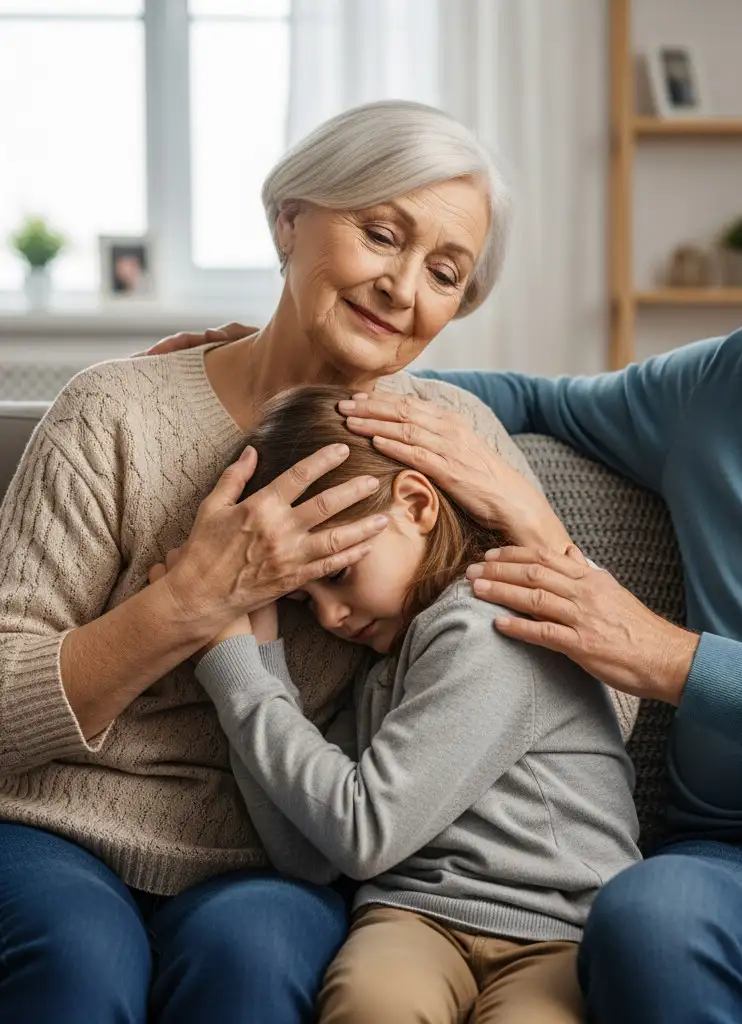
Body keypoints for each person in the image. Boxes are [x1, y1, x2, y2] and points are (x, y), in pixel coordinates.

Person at [162, 57, 742, 1022]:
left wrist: (669, 658)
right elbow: (531, 401)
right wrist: (289, 364)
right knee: (649, 918)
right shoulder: (731, 385)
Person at [0, 99, 566, 1024]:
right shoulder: (114, 413)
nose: (402, 288)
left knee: (257, 960)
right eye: (381, 234)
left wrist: (534, 521)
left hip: (277, 854)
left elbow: (597, 704)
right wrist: (184, 606)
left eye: (445, 272)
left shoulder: (453, 444)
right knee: (79, 959)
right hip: (57, 827)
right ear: (289, 219)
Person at [154, 384, 640, 1024]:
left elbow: (363, 834)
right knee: (370, 1003)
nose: (329, 617)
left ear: (416, 504)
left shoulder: (488, 625)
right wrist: (260, 657)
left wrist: (236, 674)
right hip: (414, 918)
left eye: (337, 576)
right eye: (303, 600)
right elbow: (310, 853)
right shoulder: (383, 669)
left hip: (557, 929)